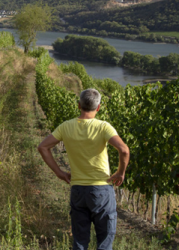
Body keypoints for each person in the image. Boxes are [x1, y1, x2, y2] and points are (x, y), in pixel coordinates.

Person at [37, 89, 130, 250]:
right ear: (98, 107)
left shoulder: (66, 126)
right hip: (101, 190)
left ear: (79, 105)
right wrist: (120, 172)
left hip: (78, 190)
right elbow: (124, 150)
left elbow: (43, 147)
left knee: (80, 242)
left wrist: (59, 173)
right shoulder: (103, 127)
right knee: (104, 241)